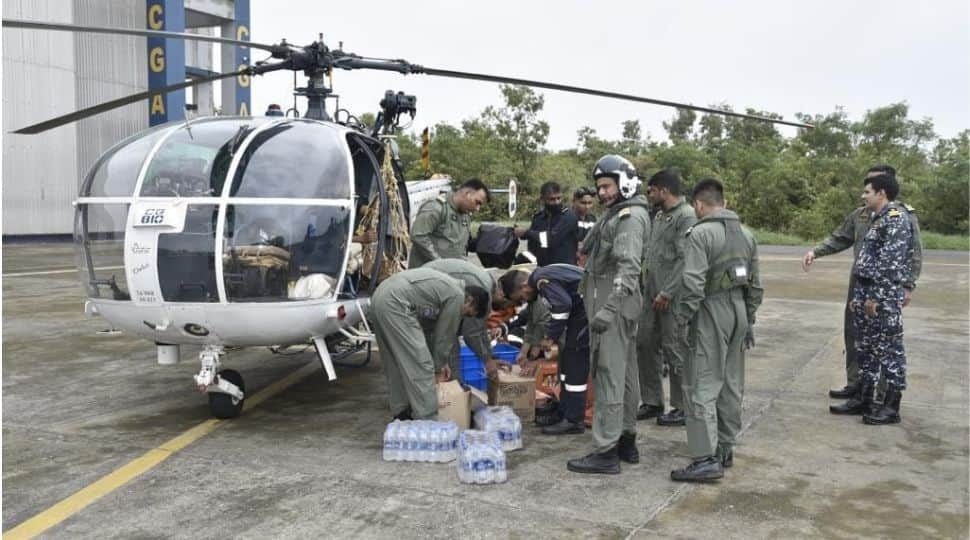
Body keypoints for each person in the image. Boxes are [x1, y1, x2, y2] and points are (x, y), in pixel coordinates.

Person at [802, 165, 922, 403]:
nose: (865, 191)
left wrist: (907, 285)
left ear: (884, 189)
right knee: (857, 334)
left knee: (884, 340)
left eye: (871, 186)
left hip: (885, 286)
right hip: (860, 283)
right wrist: (816, 252)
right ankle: (858, 385)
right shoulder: (862, 215)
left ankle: (882, 393)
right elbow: (840, 238)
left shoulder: (900, 216)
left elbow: (913, 252)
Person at [670, 178, 763, 482]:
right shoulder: (747, 235)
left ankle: (704, 458)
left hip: (710, 310)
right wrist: (747, 319)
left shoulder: (700, 234)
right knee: (730, 383)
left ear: (698, 204)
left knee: (701, 385)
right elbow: (755, 286)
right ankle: (725, 448)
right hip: (738, 310)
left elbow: (693, 284)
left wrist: (683, 319)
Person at [566, 155, 651, 474]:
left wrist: (607, 310)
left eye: (606, 186)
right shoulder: (617, 215)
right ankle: (626, 438)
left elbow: (629, 270)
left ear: (624, 183)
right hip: (619, 305)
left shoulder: (628, 218)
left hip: (613, 304)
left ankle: (605, 451)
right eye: (599, 187)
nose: (601, 193)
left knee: (609, 376)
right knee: (627, 375)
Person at [832, 174, 915, 424]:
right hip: (866, 294)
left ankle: (891, 407)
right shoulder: (876, 219)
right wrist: (858, 297)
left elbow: (889, 265)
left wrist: (875, 298)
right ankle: (864, 399)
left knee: (889, 350)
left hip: (883, 298)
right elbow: (867, 263)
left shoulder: (895, 219)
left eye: (867, 192)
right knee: (866, 348)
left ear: (882, 194)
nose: (863, 196)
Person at [371, 267, 490, 420]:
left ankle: (401, 412)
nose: (463, 316)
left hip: (380, 297)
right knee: (423, 365)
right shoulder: (457, 297)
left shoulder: (447, 288)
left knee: (394, 361)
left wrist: (442, 361)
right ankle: (428, 419)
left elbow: (429, 330)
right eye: (467, 313)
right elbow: (444, 335)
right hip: (395, 304)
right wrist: (438, 367)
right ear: (470, 300)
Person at [636, 168, 697, 426]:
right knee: (644, 343)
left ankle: (682, 406)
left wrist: (668, 291)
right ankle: (652, 400)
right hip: (651, 293)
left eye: (651, 191)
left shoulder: (687, 216)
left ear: (663, 190)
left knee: (675, 350)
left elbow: (686, 259)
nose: (649, 195)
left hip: (672, 296)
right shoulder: (660, 216)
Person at [501, 263, 589, 435]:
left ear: (524, 286)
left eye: (522, 296)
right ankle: (564, 412)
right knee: (566, 371)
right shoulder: (540, 279)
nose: (525, 300)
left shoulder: (541, 281)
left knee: (575, 372)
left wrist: (550, 337)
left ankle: (574, 421)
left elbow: (563, 305)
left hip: (584, 316)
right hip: (578, 316)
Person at [424, 258, 504, 378]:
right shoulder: (472, 292)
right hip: (412, 303)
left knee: (447, 355)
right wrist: (441, 365)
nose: (466, 316)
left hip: (420, 291)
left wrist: (489, 357)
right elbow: (471, 332)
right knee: (446, 356)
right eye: (469, 314)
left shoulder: (476, 286)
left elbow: (478, 329)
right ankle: (451, 389)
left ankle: (451, 388)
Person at [408, 178, 490, 269]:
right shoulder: (436, 207)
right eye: (477, 202)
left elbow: (461, 247)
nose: (477, 209)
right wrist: (439, 262)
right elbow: (418, 236)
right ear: (467, 194)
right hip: (426, 274)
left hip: (450, 275)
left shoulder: (465, 217)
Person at [515, 181, 580, 266]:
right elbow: (534, 245)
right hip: (543, 268)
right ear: (542, 199)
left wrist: (526, 233)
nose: (556, 202)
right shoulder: (538, 218)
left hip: (564, 268)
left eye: (559, 198)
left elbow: (551, 239)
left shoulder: (568, 216)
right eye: (552, 199)